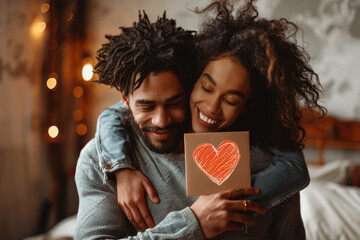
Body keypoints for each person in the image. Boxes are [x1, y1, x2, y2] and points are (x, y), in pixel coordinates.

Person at [75, 1, 325, 239]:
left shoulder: (269, 160)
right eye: (147, 105)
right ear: (125, 99)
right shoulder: (100, 161)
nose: (161, 120)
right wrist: (194, 224)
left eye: (174, 102)